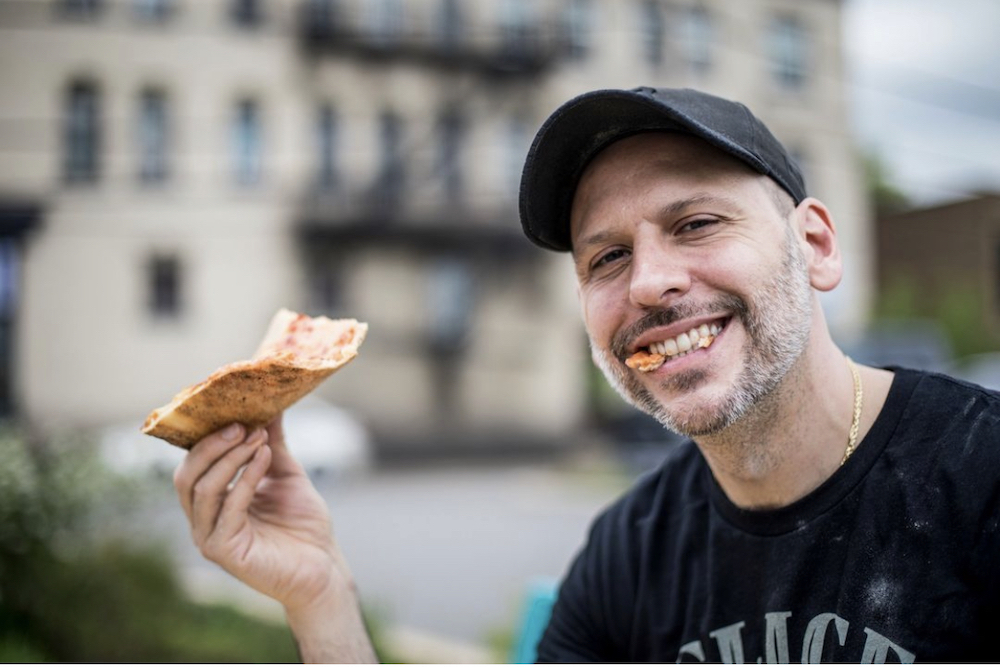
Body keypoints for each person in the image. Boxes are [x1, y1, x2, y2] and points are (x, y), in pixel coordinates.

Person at [173, 87, 1000, 663]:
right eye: (607, 256)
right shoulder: (628, 553)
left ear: (815, 244)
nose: (647, 284)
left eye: (697, 222)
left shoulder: (980, 478)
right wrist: (320, 595)